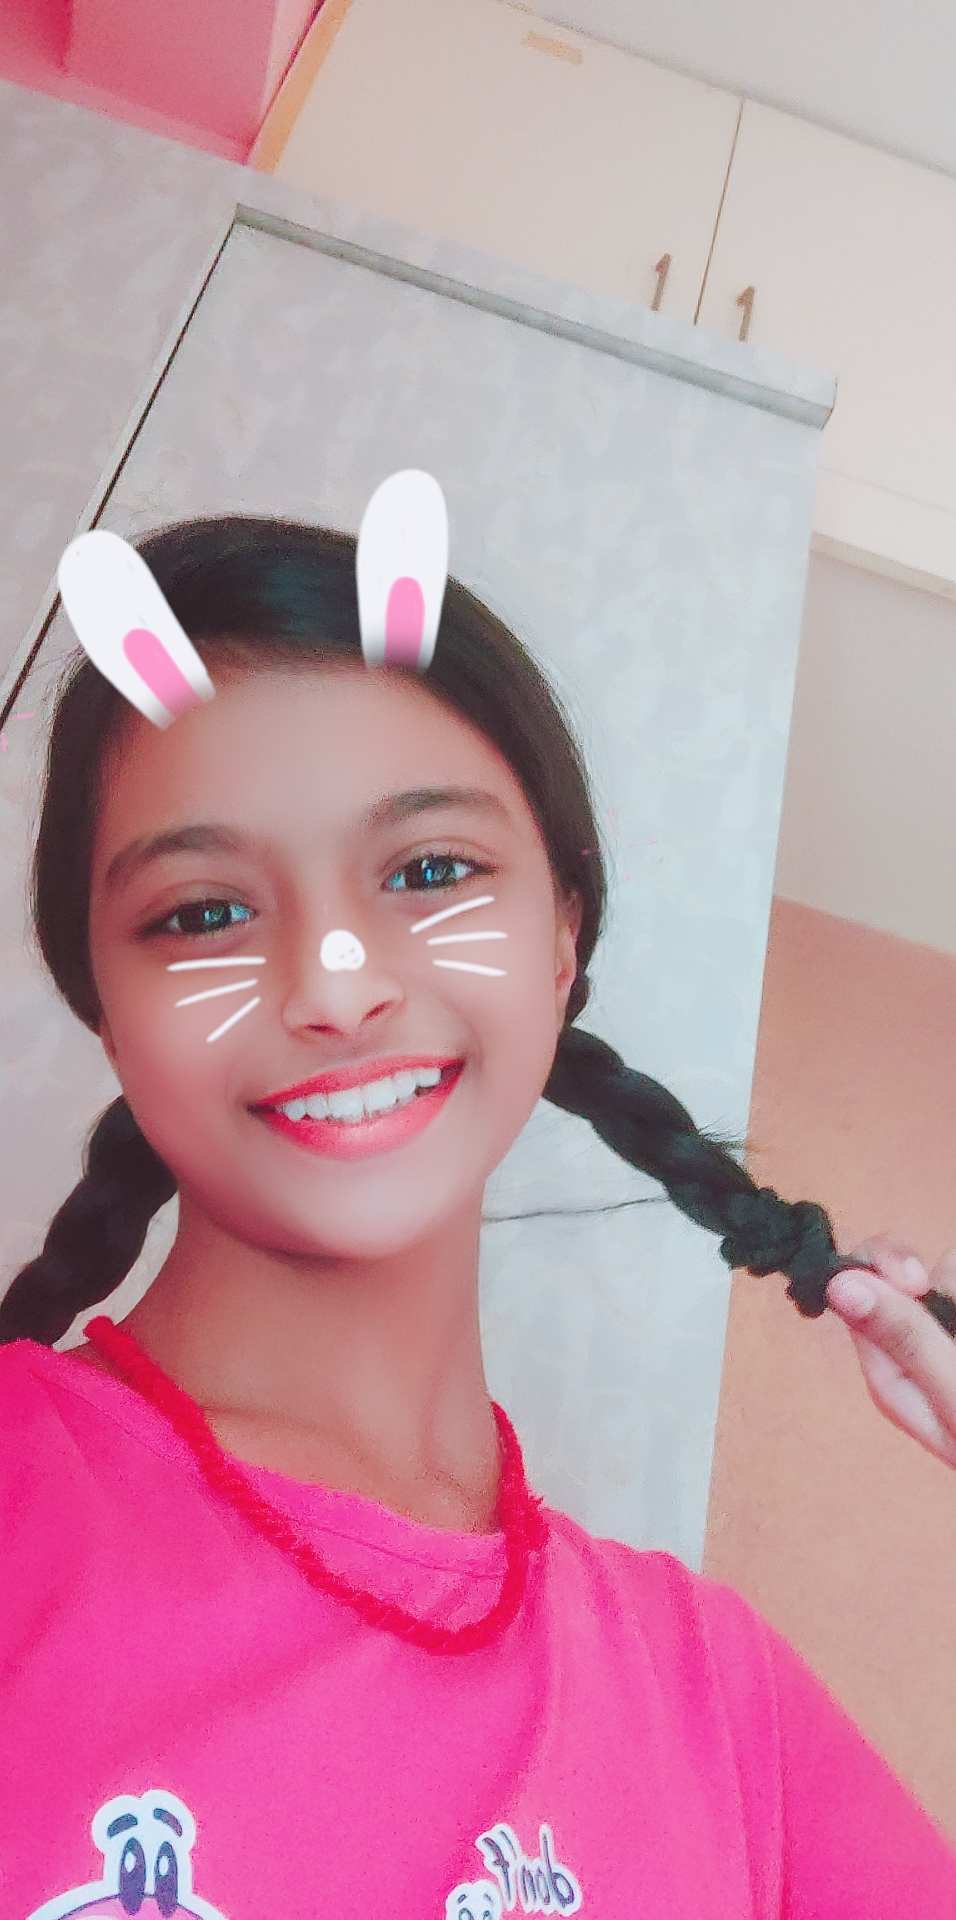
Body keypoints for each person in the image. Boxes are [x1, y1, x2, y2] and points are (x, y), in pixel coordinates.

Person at [2, 514, 955, 1919]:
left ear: (565, 932)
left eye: (430, 871)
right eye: (201, 913)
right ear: (105, 1003)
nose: (335, 986)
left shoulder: (725, 1709)